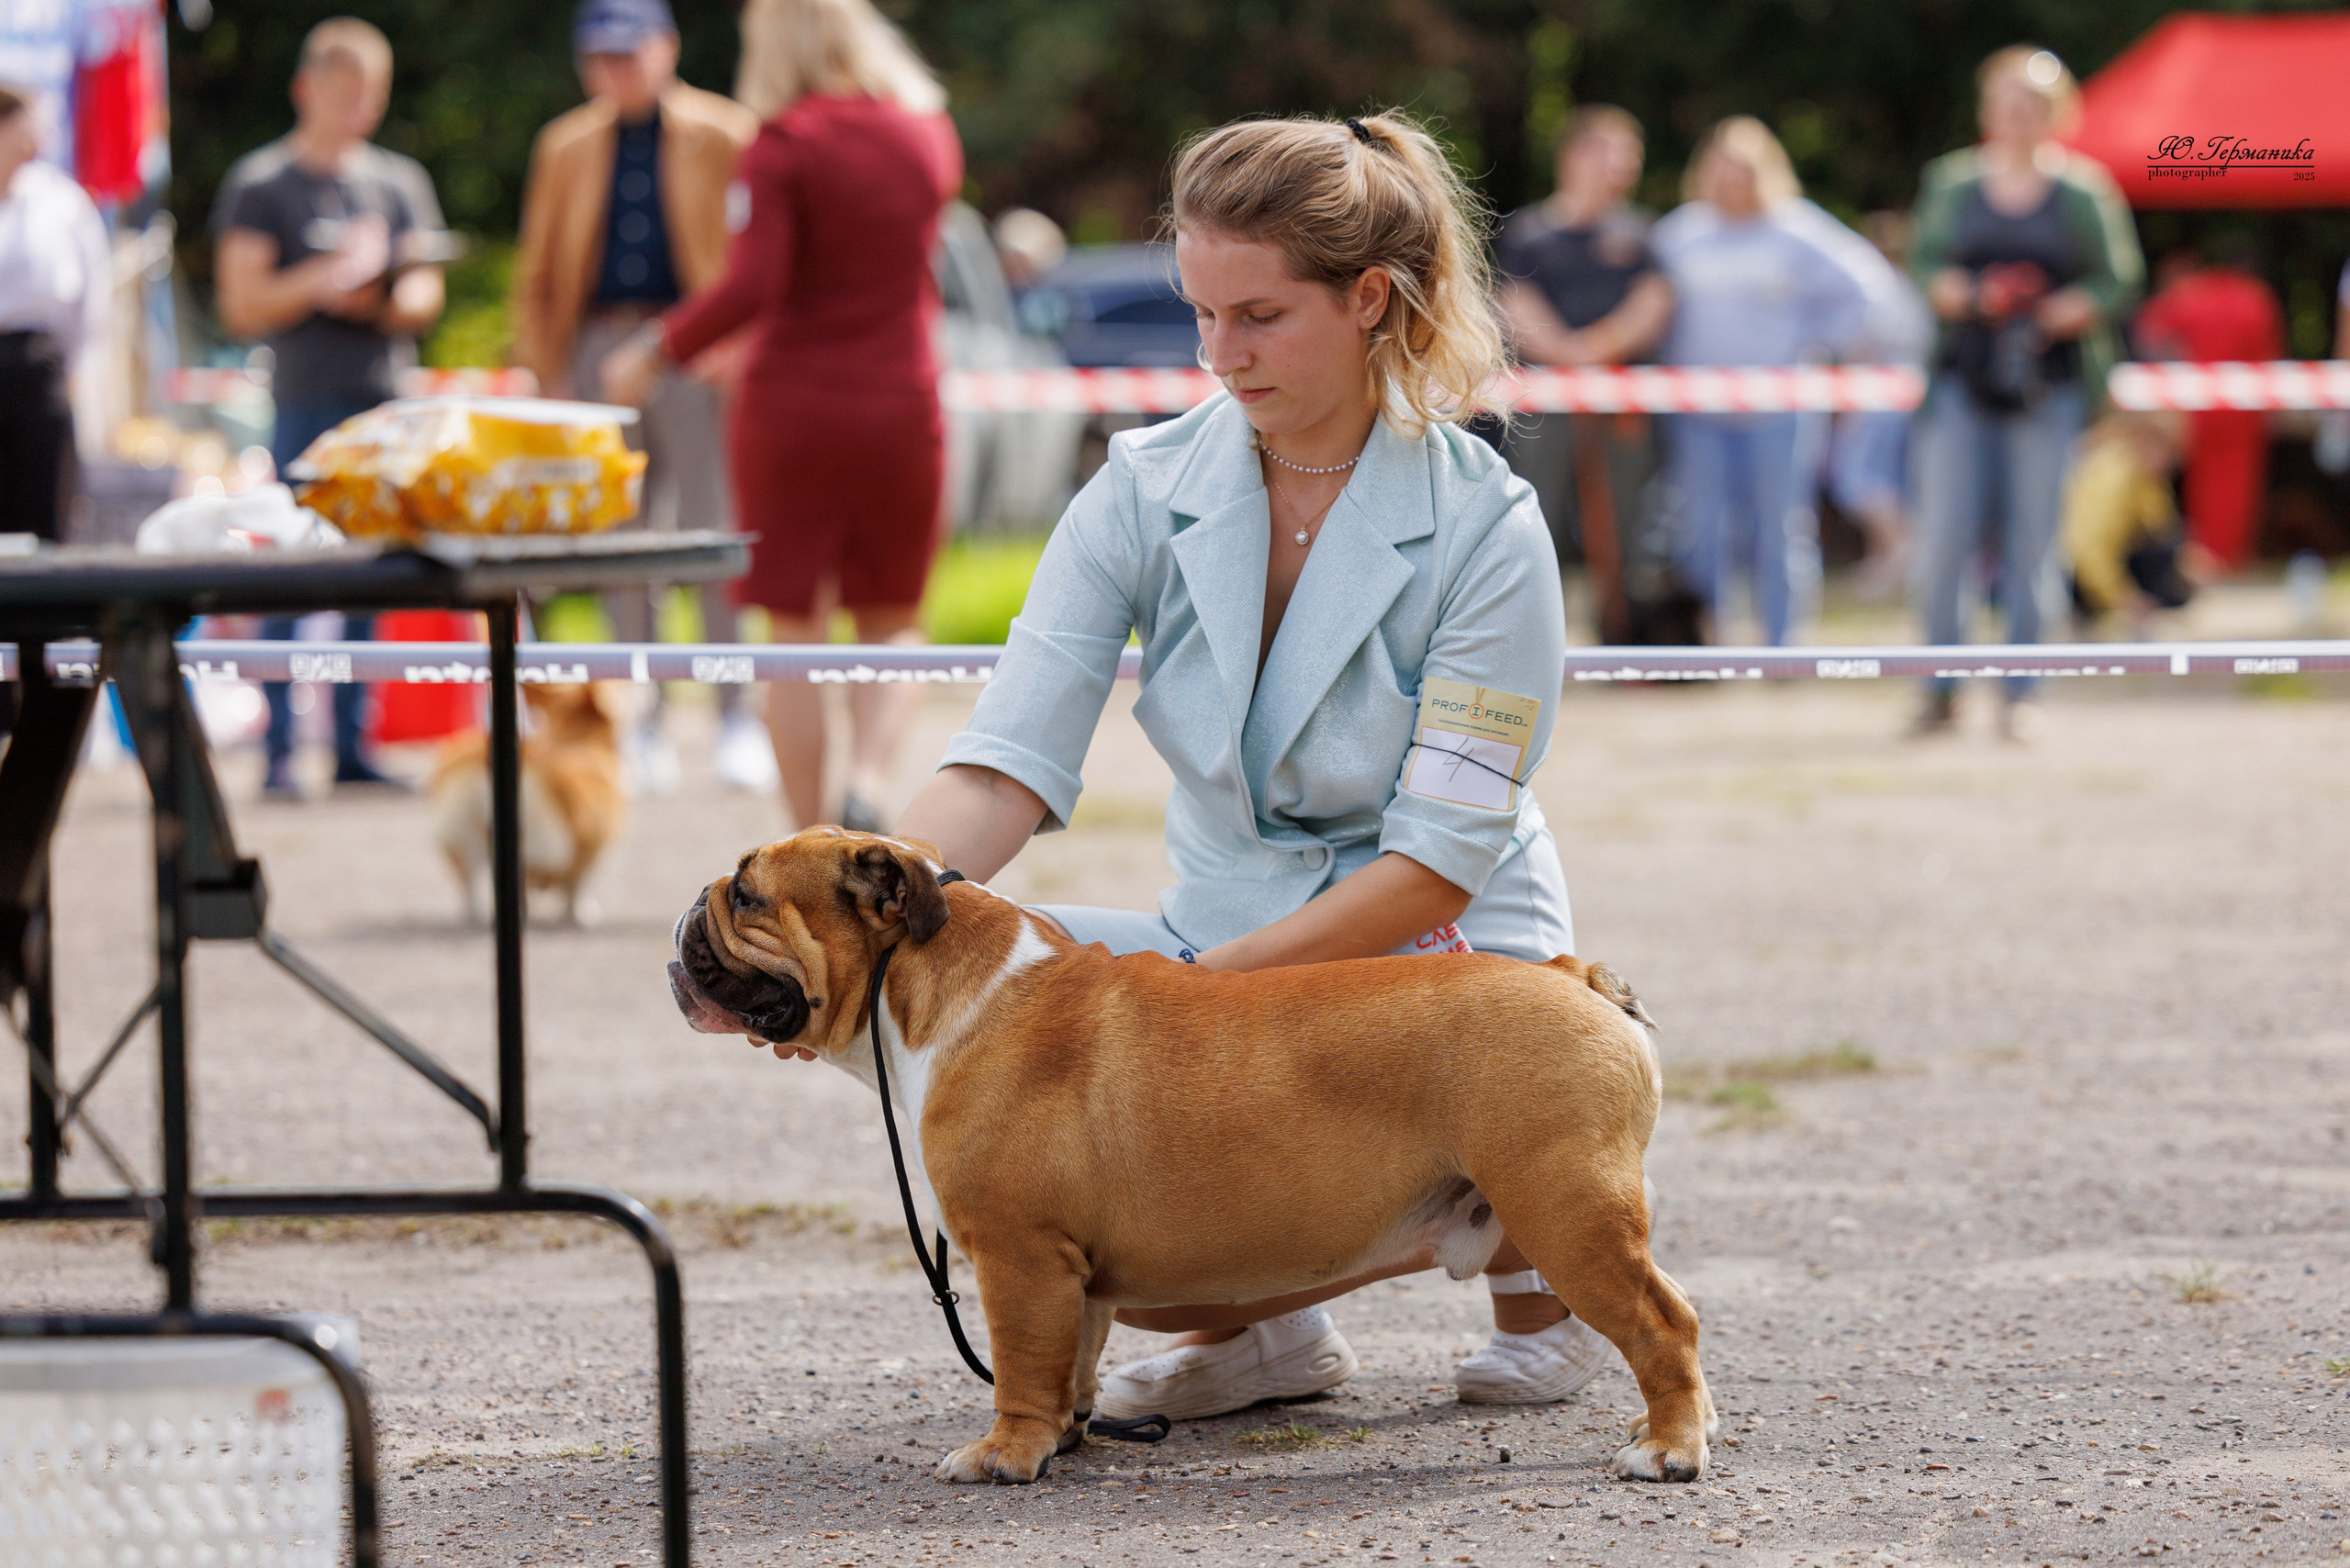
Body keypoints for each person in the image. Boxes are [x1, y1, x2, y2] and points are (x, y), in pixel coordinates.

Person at [861, 110, 1602, 1424]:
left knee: (1225, 1083)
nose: (1219, 354)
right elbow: (1004, 766)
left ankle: (1530, 1269)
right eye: (1200, 314)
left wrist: (1191, 1007)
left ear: (1370, 298)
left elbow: (1436, 867)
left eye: (1258, 316)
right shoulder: (1139, 487)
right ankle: (1274, 1330)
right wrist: (862, 912)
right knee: (923, 998)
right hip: (1221, 939)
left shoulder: (1489, 527)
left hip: (1442, 945)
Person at [601, 0, 960, 835]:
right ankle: (868, 783)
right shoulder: (927, 133)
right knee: (895, 621)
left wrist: (655, 349)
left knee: (793, 630)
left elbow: (754, 284)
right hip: (904, 400)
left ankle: (812, 838)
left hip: (794, 409)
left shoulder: (785, 142)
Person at [511, 0, 767, 793]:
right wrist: (544, 367)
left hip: (694, 347)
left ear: (665, 48)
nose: (612, 71)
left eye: (627, 53)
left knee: (712, 528)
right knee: (619, 544)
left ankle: (733, 713)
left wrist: (735, 344)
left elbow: (751, 253)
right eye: (599, 57)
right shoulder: (566, 143)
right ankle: (643, 711)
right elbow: (541, 265)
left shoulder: (724, 131)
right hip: (596, 345)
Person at [212, 17, 445, 795]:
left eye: (371, 96)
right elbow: (243, 302)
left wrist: (377, 299)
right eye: (346, 94)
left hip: (381, 401)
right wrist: (324, 280)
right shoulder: (262, 183)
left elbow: (424, 289)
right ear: (307, 88)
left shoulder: (397, 180)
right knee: (292, 567)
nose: (359, 111)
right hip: (304, 399)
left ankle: (351, 745)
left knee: (375, 576)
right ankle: (279, 747)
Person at [1907, 46, 2142, 739]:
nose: (2017, 113)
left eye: (2032, 101)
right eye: (2006, 99)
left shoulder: (2085, 190)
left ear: (2054, 111)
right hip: (1962, 381)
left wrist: (2065, 307)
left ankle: (2022, 693)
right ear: (1987, 109)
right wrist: (1964, 294)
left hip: (2048, 383)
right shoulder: (1950, 182)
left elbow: (2119, 279)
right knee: (1945, 539)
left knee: (2035, 544)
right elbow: (1924, 266)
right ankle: (1940, 688)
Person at [1650, 118, 1867, 645]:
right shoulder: (1679, 235)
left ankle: (1783, 644)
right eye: (1721, 167)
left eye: (1744, 168)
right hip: (1698, 412)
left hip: (1781, 410)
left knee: (1782, 527)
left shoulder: (1798, 230)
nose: (1731, 180)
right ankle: (1707, 644)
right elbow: (1649, 309)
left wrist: (1817, 345)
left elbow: (1863, 293)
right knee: (1700, 529)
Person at [1494, 105, 1674, 644]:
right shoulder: (1529, 233)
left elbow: (1655, 303)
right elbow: (1515, 303)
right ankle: (1535, 640)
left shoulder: (1638, 233)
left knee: (1625, 517)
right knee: (1535, 513)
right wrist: (1570, 355)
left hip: (1619, 405)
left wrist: (1599, 348)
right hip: (1543, 404)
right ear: (1577, 155)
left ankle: (1622, 637)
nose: (1625, 170)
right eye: (1615, 156)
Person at [0, 79, 107, 544]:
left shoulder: (60, 202)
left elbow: (90, 299)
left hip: (37, 369)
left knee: (42, 523)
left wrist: (78, 374)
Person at [2132, 243, 2283, 573]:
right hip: (2244, 408)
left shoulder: (2192, 293)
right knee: (2237, 485)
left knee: (2201, 483)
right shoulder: (2257, 298)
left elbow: (2148, 328)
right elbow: (2268, 354)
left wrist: (2170, 367)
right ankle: (2230, 557)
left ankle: (2203, 558)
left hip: (2197, 403)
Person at [2061, 410, 2193, 625]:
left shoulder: (2141, 474)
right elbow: (2088, 553)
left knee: (2170, 563)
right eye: (2172, 453)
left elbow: (2162, 527)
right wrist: (2123, 599)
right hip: (2078, 578)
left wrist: (2188, 560)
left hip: (2096, 571)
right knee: (2167, 582)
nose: (2174, 464)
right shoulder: (2113, 476)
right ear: (2150, 442)